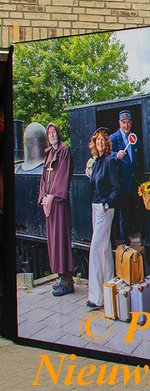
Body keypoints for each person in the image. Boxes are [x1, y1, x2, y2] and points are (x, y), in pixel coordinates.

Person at [38, 123, 75, 297]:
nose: (52, 135)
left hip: (59, 203)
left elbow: (62, 176)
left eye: (54, 132)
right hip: (50, 204)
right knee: (53, 242)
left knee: (61, 240)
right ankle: (62, 278)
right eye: (49, 133)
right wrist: (44, 197)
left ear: (58, 134)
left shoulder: (64, 151)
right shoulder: (49, 153)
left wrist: (52, 196)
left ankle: (67, 282)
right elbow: (44, 178)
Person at [86, 127, 119, 307]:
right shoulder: (96, 162)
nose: (100, 142)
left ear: (106, 143)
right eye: (97, 139)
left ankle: (96, 297)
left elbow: (116, 188)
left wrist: (107, 204)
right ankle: (109, 291)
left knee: (95, 249)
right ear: (94, 143)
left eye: (102, 140)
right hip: (95, 206)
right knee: (105, 249)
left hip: (104, 208)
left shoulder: (109, 161)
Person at [109, 109, 139, 245]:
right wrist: (116, 155)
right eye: (123, 122)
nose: (126, 125)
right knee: (122, 213)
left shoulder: (133, 138)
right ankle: (124, 242)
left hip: (133, 181)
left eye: (128, 122)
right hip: (120, 182)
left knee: (131, 211)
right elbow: (106, 154)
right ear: (119, 123)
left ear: (131, 123)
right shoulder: (113, 138)